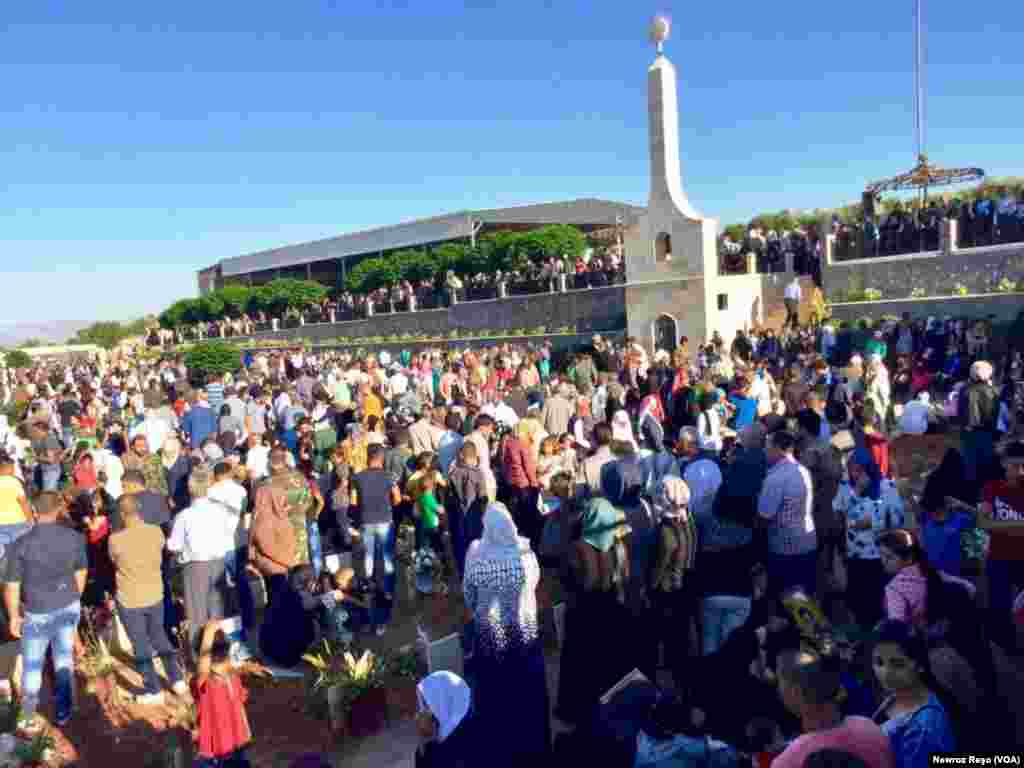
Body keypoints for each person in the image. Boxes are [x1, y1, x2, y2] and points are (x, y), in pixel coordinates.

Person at [461, 503, 550, 767]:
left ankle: (499, 750)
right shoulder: (526, 553)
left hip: (492, 638)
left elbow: (469, 597)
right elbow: (534, 584)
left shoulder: (475, 555)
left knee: (495, 696)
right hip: (525, 633)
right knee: (527, 693)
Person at [3, 491, 87, 732]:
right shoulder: (74, 538)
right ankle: (63, 711)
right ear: (59, 509)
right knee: (63, 659)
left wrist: (13, 616)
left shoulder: (19, 545)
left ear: (34, 510)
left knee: (32, 665)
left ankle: (28, 716)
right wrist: (74, 598)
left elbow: (12, 585)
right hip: (67, 605)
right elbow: (81, 573)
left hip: (37, 610)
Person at [556, 496, 632, 725]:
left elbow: (567, 581)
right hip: (610, 613)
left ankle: (578, 713)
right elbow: (625, 578)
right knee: (607, 665)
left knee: (580, 668)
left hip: (582, 616)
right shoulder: (618, 545)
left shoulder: (576, 548)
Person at [108, 494, 187, 704]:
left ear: (122, 514)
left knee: (140, 644)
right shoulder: (155, 532)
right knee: (159, 636)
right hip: (155, 594)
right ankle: (177, 679)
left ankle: (153, 690)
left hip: (130, 598)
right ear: (139, 509)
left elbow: (114, 561)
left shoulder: (115, 539)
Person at [770, 648, 894, 768]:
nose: (779, 692)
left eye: (780, 683)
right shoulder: (869, 727)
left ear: (795, 692)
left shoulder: (787, 762)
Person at [871, 620, 956, 768]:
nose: (885, 673)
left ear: (920, 665)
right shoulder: (898, 693)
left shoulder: (924, 729)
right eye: (879, 662)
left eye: (897, 664)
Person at [835, 448, 904, 629]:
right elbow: (838, 513)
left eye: (860, 469)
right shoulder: (845, 488)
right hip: (855, 555)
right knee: (857, 600)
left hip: (879, 555)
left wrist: (873, 524)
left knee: (877, 599)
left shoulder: (887, 487)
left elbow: (897, 519)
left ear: (870, 468)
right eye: (852, 469)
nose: (855, 474)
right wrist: (857, 491)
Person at [167, 466, 235, 649]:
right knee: (218, 613)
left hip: (195, 566)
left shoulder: (184, 516)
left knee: (197, 616)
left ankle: (200, 656)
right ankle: (221, 653)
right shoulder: (222, 511)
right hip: (218, 563)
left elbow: (173, 545)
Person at [758, 430, 817, 597]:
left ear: (778, 448)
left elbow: (764, 515)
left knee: (788, 600)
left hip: (784, 548)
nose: (765, 450)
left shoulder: (776, 478)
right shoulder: (803, 470)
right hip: (806, 542)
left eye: (767, 446)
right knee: (802, 599)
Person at [351, 443, 402, 634]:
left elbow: (353, 502)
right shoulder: (389, 477)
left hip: (366, 522)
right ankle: (387, 597)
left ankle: (370, 607)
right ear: (381, 458)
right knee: (387, 563)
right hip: (385, 522)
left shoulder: (358, 477)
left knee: (369, 565)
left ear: (368, 456)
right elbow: (397, 499)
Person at [979, 440, 1024, 652]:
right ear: (1004, 463)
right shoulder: (992, 488)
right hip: (999, 557)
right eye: (1015, 465)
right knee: (999, 607)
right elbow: (984, 523)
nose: (1020, 470)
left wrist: (1000, 525)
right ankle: (1006, 647)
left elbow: (990, 522)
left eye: (1023, 465)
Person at [193, 619, 253, 768]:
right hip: (238, 743)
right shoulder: (233, 679)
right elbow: (241, 704)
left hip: (214, 750)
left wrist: (208, 633)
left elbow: (203, 668)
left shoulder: (206, 685)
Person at [415, 671, 478, 768]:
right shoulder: (430, 747)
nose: (419, 713)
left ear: (442, 703)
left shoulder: (437, 752)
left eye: (427, 704)